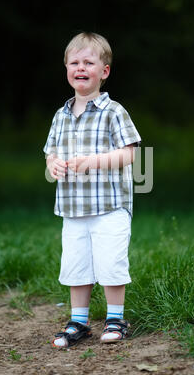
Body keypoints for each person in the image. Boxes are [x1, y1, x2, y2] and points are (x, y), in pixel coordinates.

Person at [43, 32, 141, 348]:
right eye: (75, 62)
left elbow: (131, 153)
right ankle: (79, 322)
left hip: (110, 205)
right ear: (67, 69)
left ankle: (115, 319)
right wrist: (53, 164)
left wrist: (95, 161)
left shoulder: (114, 111)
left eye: (89, 62)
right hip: (73, 208)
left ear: (104, 71)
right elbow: (51, 153)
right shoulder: (60, 116)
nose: (81, 67)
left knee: (111, 263)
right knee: (76, 265)